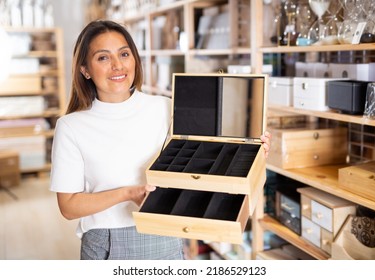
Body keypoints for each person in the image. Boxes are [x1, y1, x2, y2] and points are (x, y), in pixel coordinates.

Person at [50, 20, 272, 260]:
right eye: (103, 58)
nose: (117, 65)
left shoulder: (165, 108)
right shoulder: (71, 127)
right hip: (107, 242)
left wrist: (252, 153)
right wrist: (127, 194)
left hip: (165, 235)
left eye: (124, 54)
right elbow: (69, 207)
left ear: (135, 59)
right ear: (85, 70)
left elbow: (201, 168)